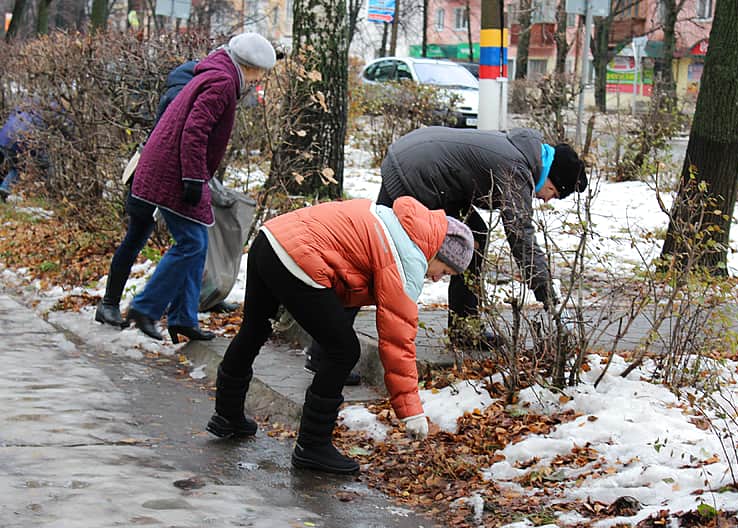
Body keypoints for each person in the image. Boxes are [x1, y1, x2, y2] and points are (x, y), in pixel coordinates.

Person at [206, 196, 475, 475]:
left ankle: (227, 416)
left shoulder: (392, 220)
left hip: (271, 238)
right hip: (298, 257)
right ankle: (312, 446)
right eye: (444, 272)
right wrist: (411, 411)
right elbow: (399, 340)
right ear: (438, 253)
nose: (435, 279)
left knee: (255, 328)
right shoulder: (406, 257)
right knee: (344, 350)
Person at [310, 126, 587, 357]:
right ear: (550, 175)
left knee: (473, 236)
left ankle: (465, 329)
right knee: (379, 258)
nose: (547, 199)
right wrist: (548, 296)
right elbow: (520, 236)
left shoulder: (521, 152)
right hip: (416, 176)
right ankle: (326, 351)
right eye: (554, 192)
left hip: (417, 164)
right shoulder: (518, 168)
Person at [123, 32, 276, 343]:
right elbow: (195, 131)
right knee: (191, 243)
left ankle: (182, 317)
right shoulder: (222, 83)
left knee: (196, 242)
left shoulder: (217, 71)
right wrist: (193, 177)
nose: (259, 79)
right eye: (261, 73)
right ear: (253, 67)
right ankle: (145, 307)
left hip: (171, 167)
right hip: (175, 172)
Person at [95, 60, 198, 327]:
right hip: (157, 177)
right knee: (178, 242)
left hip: (150, 174)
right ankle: (117, 305)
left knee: (145, 239)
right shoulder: (181, 96)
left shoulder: (176, 91)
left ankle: (112, 304)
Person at [0, 106, 47, 202]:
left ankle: (4, 187)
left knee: (10, 165)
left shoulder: (23, 110)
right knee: (18, 167)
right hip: (17, 143)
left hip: (3, 139)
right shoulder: (41, 118)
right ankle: (4, 189)